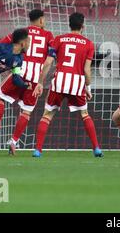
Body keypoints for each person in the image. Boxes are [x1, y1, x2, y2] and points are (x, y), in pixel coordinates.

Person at [0, 9, 55, 155]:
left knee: (0, 97)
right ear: (41, 20)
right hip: (35, 79)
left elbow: (2, 43)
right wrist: (41, 82)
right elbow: (49, 61)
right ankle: (14, 141)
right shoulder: (48, 36)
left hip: (19, 71)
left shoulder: (23, 32)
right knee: (26, 112)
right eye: (44, 19)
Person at [31, 12, 102, 158]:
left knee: (47, 115)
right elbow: (86, 70)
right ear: (83, 26)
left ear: (69, 25)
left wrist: (39, 82)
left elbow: (48, 63)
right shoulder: (88, 44)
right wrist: (87, 87)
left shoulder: (59, 39)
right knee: (84, 114)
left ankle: (38, 150)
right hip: (77, 84)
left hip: (59, 82)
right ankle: (96, 148)